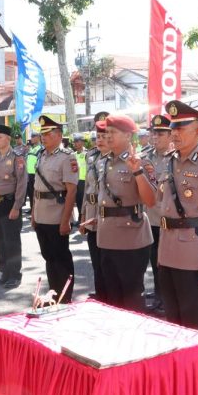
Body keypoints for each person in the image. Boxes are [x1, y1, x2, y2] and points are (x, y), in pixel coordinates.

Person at [156, 100, 198, 332]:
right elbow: (156, 201)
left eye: (181, 128)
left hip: (193, 252)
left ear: (197, 130)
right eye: (173, 128)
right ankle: (178, 367)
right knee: (172, 319)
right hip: (166, 249)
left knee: (193, 321)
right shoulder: (168, 161)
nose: (174, 133)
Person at [93, 115, 156, 311]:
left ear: (128, 135)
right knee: (113, 297)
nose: (107, 137)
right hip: (106, 236)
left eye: (113, 132)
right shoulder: (104, 161)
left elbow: (151, 200)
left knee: (131, 297)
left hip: (131, 238)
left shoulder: (140, 162)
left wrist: (137, 172)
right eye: (106, 132)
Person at [31, 115, 78, 303]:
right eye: (42, 134)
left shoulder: (67, 157)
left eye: (48, 133)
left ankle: (65, 297)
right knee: (49, 258)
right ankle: (54, 295)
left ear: (59, 135)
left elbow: (72, 191)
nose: (43, 137)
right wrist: (34, 215)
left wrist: (66, 220)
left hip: (57, 215)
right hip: (41, 214)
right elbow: (36, 189)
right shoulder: (41, 155)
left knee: (61, 259)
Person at [0, 125, 27, 289]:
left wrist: (17, 206)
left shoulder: (17, 157)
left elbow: (21, 183)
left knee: (11, 239)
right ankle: (4, 272)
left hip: (10, 202)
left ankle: (15, 274)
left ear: (8, 139)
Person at [142, 114, 173, 312]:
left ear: (170, 135)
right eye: (154, 133)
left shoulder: (176, 157)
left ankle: (167, 296)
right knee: (154, 259)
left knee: (168, 261)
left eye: (160, 133)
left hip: (169, 219)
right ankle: (159, 294)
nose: (155, 137)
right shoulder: (146, 156)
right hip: (150, 218)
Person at [79, 114, 110, 300]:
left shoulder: (115, 158)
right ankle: (100, 292)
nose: (100, 140)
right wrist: (83, 215)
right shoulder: (91, 156)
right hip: (91, 212)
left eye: (104, 136)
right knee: (95, 258)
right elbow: (87, 189)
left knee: (107, 260)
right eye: (97, 136)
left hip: (106, 214)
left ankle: (109, 295)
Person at [72, 133, 87, 227]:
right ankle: (79, 219)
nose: (75, 143)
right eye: (74, 142)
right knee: (78, 201)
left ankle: (84, 219)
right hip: (75, 181)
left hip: (84, 181)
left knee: (84, 201)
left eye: (77, 141)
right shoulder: (73, 155)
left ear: (82, 142)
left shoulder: (87, 154)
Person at [25, 134, 42, 213]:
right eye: (31, 137)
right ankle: (32, 209)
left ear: (38, 138)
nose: (31, 138)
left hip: (36, 175)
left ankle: (36, 211)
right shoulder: (31, 148)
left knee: (36, 194)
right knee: (31, 193)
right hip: (29, 174)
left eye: (33, 137)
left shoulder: (41, 148)